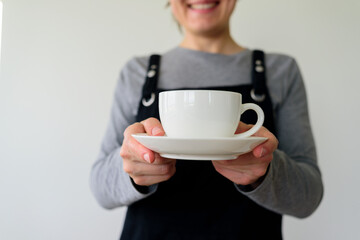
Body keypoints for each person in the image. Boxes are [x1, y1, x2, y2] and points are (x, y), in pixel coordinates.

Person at [90, 0, 324, 239]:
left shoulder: (281, 71)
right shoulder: (136, 72)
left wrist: (264, 171)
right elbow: (100, 188)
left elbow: (309, 196)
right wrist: (133, 169)